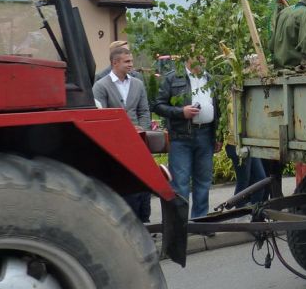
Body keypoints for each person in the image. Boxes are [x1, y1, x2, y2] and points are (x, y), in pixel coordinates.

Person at [153, 55, 221, 219]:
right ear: (187, 58)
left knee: (203, 182)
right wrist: (181, 112)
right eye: (198, 56)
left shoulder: (210, 79)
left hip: (205, 135)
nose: (202, 59)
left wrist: (218, 136)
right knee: (180, 184)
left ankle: (200, 221)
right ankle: (180, 225)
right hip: (181, 138)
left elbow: (219, 110)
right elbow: (157, 105)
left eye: (204, 56)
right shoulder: (172, 78)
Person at [92, 46, 152, 222]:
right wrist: (125, 131)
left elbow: (144, 112)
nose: (131, 64)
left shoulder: (138, 84)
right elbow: (99, 116)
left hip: (138, 142)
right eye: (127, 62)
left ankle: (144, 221)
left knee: (142, 182)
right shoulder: (100, 86)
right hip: (115, 145)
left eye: (131, 61)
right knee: (123, 185)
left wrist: (142, 128)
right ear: (114, 63)